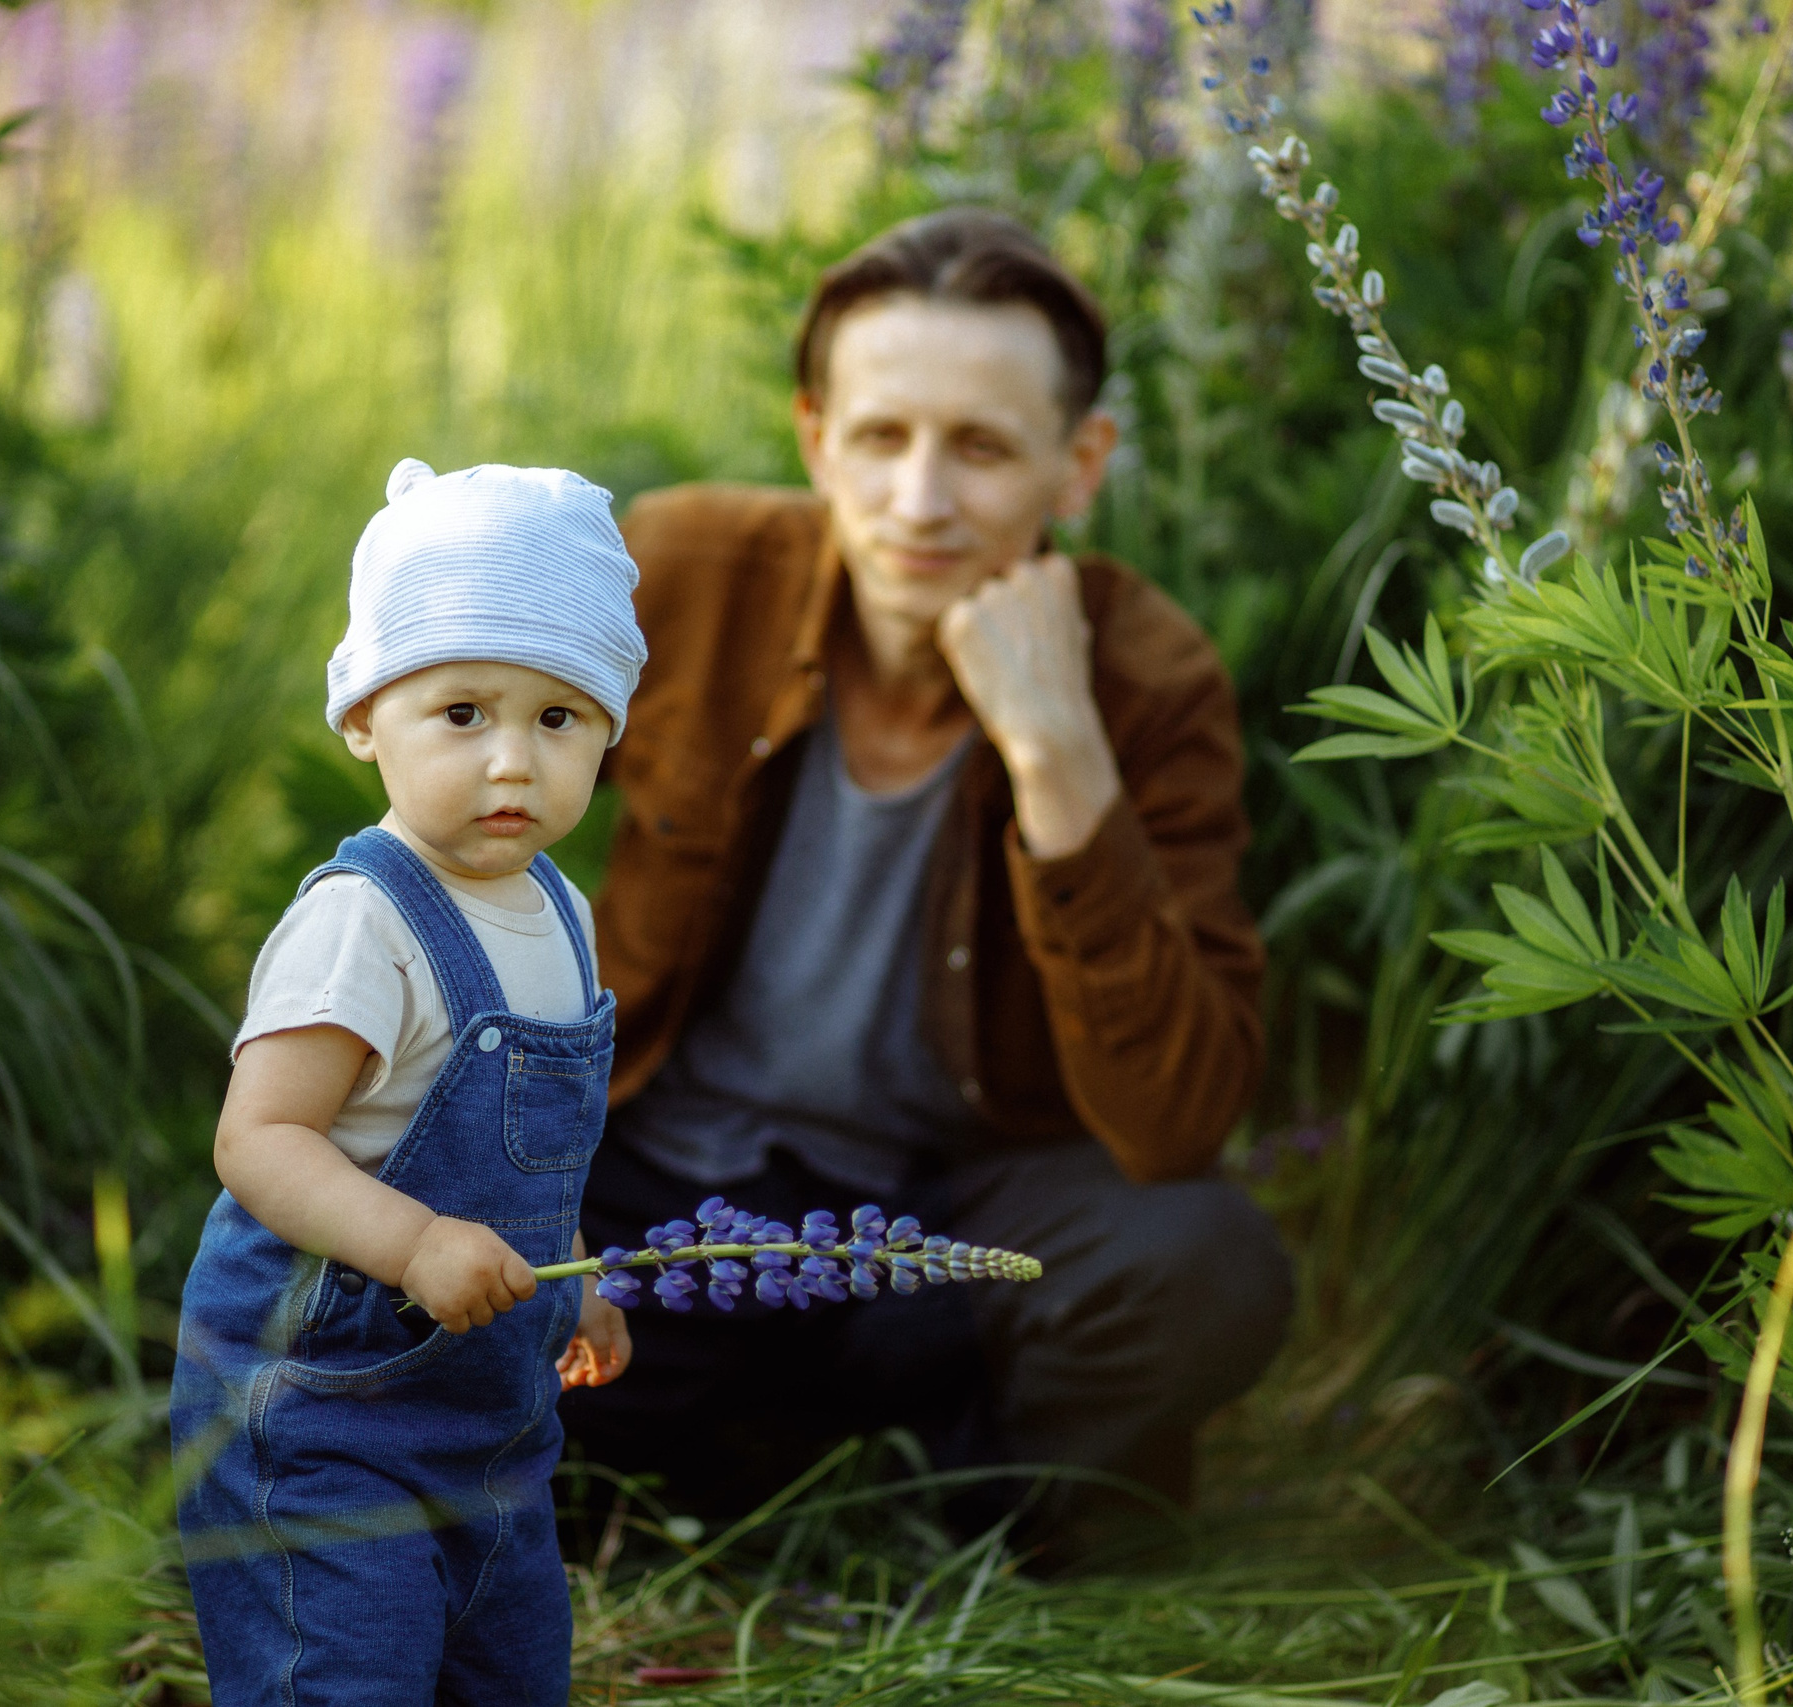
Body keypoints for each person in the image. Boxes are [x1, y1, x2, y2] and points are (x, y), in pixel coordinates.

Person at [560, 209, 1294, 1532]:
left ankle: (972, 1502)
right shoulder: (682, 571)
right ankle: (792, 1469)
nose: (920, 501)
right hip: (665, 1203)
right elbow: (459, 816)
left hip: (950, 1237)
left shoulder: (1149, 673)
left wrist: (1059, 756)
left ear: (1081, 465)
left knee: (1205, 1264)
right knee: (400, 1279)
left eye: (984, 447)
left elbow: (1177, 1119)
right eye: (882, 437)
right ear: (814, 436)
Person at [171, 459, 643, 1707]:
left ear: (606, 731)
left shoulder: (562, 911)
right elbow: (260, 1140)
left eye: (558, 720)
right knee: (347, 1668)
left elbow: (528, 1145)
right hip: (321, 1414)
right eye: (461, 714)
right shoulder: (362, 924)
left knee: (510, 1668)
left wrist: (573, 1277)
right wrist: (417, 1239)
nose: (511, 765)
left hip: (486, 1422)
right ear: (365, 720)